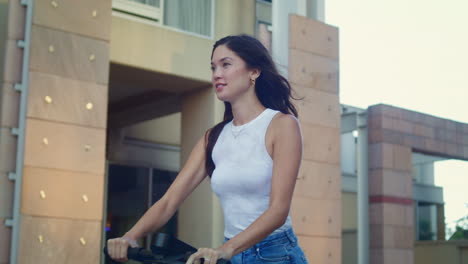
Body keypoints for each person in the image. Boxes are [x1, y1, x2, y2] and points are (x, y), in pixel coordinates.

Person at [107, 34, 308, 264]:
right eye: (213, 67)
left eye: (226, 64)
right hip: (231, 254)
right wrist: (129, 237)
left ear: (254, 72)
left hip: (275, 254)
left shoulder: (281, 126)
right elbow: (169, 201)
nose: (217, 75)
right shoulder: (212, 138)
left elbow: (278, 211)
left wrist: (225, 249)